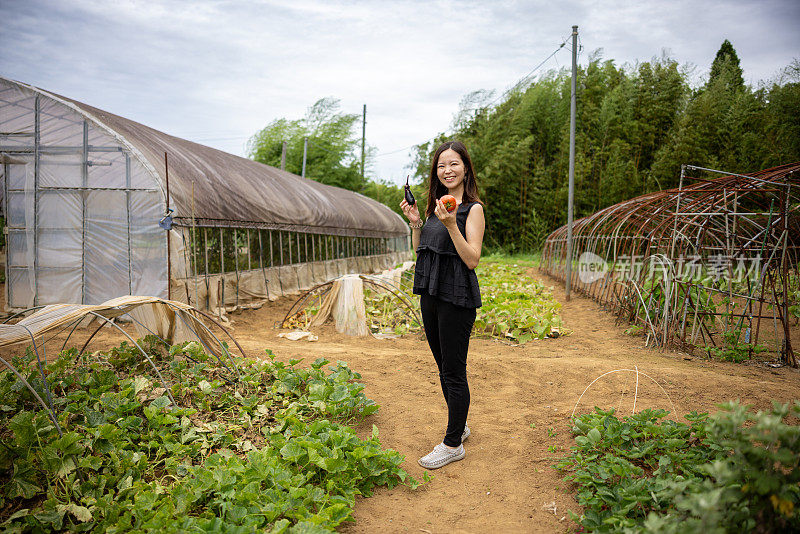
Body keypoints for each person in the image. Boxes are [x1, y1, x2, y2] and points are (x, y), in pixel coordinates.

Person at [399, 140, 485, 469]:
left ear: (466, 168)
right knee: (442, 368)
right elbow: (422, 251)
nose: (447, 170)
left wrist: (452, 224)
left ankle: (452, 444)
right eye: (441, 166)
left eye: (454, 164)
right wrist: (417, 222)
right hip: (431, 293)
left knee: (454, 371)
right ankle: (459, 426)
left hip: (456, 295)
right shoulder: (438, 205)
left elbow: (471, 258)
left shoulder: (471, 210)